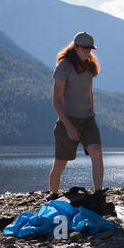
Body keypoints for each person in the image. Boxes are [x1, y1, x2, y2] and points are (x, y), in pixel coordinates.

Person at [47, 32, 104, 201]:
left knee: (97, 153)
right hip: (68, 121)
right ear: (76, 47)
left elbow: (90, 92)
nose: (88, 52)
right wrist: (69, 126)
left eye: (91, 49)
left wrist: (91, 113)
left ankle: (99, 194)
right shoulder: (63, 67)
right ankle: (53, 195)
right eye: (85, 48)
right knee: (60, 162)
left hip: (88, 120)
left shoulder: (90, 66)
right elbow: (56, 101)